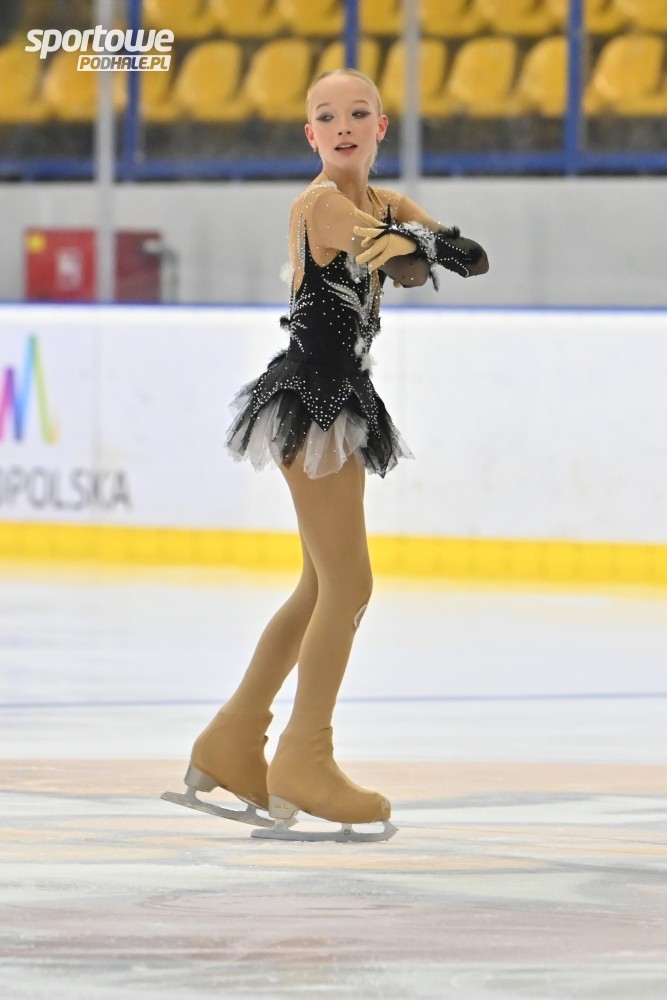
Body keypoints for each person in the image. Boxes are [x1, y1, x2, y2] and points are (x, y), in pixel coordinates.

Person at [162, 68, 488, 843]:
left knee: (317, 588)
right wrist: (418, 245)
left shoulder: (384, 200)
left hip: (342, 397)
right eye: (326, 116)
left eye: (358, 112)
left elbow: (457, 255)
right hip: (312, 399)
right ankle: (304, 757)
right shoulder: (320, 205)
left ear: (380, 126)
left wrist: (420, 243)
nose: (343, 125)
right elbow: (401, 255)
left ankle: (232, 739)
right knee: (349, 583)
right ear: (309, 135)